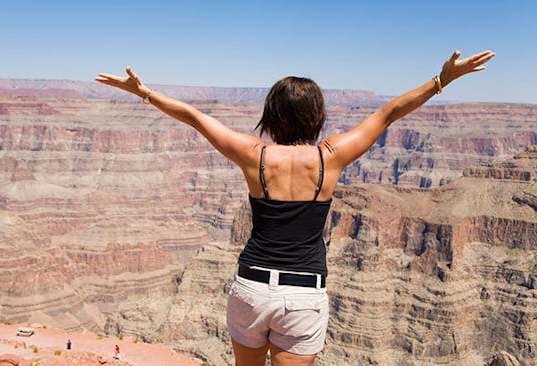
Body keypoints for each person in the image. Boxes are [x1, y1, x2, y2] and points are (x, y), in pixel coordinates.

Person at [96, 50, 495, 366]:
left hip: (251, 287)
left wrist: (145, 93)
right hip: (303, 294)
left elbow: (197, 119)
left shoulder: (254, 156)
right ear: (316, 116)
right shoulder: (330, 158)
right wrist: (442, 80)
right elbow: (388, 113)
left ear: (271, 114)